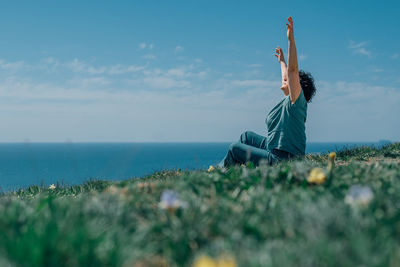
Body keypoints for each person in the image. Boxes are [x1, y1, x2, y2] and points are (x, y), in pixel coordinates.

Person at [218, 16, 316, 167]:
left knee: (235, 149)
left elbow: (292, 71)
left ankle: (218, 173)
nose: (284, 80)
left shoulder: (296, 103)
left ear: (296, 85)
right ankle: (235, 168)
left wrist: (291, 40)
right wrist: (282, 61)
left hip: (284, 160)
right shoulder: (289, 101)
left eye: (288, 80)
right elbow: (287, 75)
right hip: (274, 149)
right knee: (246, 137)